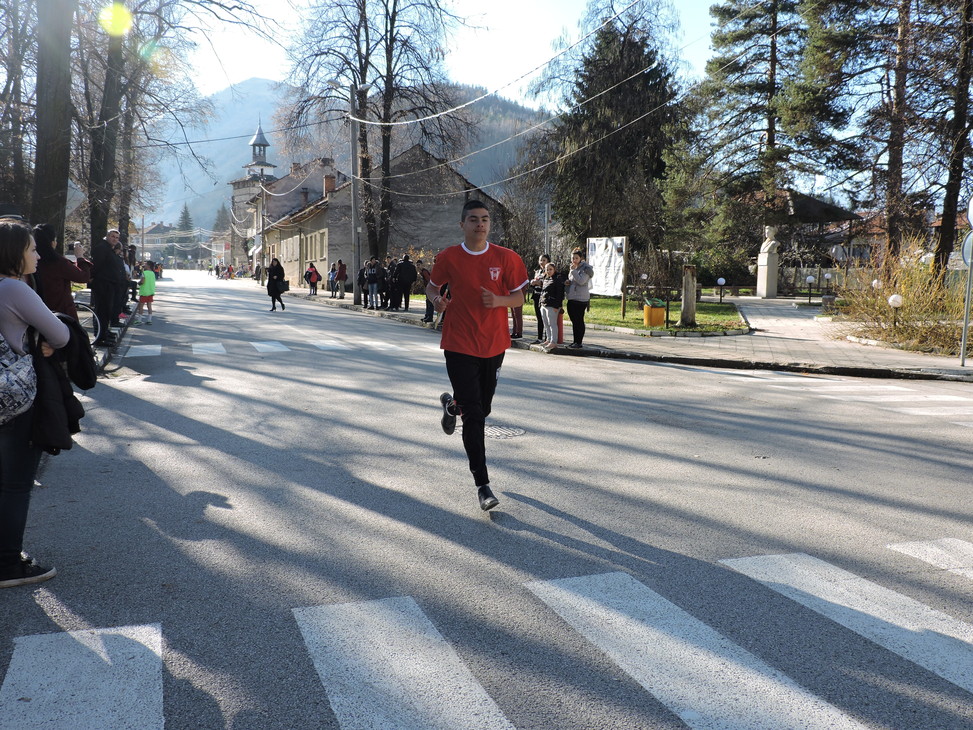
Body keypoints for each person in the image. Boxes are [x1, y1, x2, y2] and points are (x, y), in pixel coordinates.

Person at [426, 200, 528, 512]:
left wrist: (499, 300)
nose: (480, 224)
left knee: (482, 407)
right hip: (458, 343)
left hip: (494, 344)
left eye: (484, 219)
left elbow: (519, 296)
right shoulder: (449, 257)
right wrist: (437, 301)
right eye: (473, 219)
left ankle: (451, 405)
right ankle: (482, 485)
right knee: (474, 415)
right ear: (462, 225)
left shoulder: (506, 257)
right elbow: (432, 287)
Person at [0, 218, 71, 587]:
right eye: (31, 249)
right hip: (13, 398)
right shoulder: (13, 288)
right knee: (15, 484)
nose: (38, 255)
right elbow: (60, 334)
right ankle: (8, 564)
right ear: (14, 253)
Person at [33, 224, 93, 322]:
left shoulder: (30, 261)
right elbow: (83, 277)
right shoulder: (58, 262)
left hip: (37, 311)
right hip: (61, 312)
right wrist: (80, 257)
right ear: (52, 242)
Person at [90, 229, 127, 345]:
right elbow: (96, 265)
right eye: (112, 236)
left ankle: (105, 333)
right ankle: (100, 337)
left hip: (110, 284)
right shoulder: (101, 248)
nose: (114, 239)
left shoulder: (109, 249)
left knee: (107, 311)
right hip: (102, 284)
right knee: (101, 311)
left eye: (117, 237)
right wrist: (91, 277)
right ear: (107, 236)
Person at [565, 248, 595, 349]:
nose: (574, 260)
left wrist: (573, 271)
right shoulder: (573, 267)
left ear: (581, 258)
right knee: (574, 320)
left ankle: (579, 342)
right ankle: (575, 341)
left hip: (581, 298)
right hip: (572, 297)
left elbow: (581, 281)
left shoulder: (586, 268)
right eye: (572, 258)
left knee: (579, 320)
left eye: (576, 258)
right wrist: (567, 282)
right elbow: (572, 279)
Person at [538, 262, 565, 349]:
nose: (549, 271)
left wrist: (557, 306)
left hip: (552, 305)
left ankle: (554, 341)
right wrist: (540, 303)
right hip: (544, 304)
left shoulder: (557, 280)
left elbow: (560, 294)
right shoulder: (546, 279)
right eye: (547, 269)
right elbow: (543, 292)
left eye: (550, 269)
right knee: (546, 323)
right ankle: (548, 339)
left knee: (552, 323)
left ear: (554, 270)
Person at [529, 253, 551, 344]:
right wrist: (533, 283)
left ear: (548, 261)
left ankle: (547, 338)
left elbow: (549, 283)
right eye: (540, 260)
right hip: (536, 296)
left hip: (544, 297)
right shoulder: (538, 271)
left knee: (545, 318)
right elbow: (533, 283)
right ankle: (539, 337)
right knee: (539, 317)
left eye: (544, 260)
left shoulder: (549, 271)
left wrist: (540, 283)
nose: (542, 262)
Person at [133, 260, 157, 325]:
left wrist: (138, 283)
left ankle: (139, 320)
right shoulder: (153, 273)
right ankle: (149, 320)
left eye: (145, 264)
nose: (144, 265)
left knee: (141, 306)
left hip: (144, 292)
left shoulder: (144, 273)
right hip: (151, 292)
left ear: (148, 266)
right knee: (149, 306)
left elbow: (142, 281)